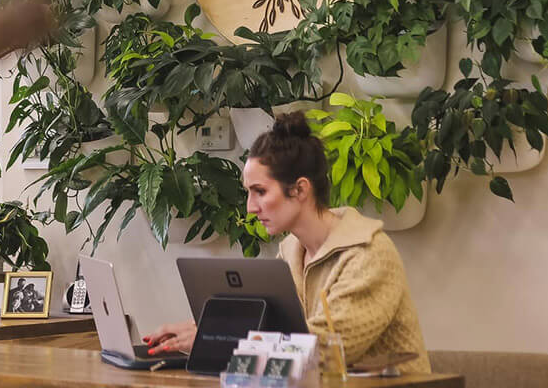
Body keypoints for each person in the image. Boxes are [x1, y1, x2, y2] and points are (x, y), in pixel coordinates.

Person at [143, 112, 431, 373]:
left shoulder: (370, 254)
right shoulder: (291, 252)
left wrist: (221, 339)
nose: (250, 208)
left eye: (260, 191)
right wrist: (204, 330)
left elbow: (326, 352)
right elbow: (268, 326)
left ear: (300, 189)